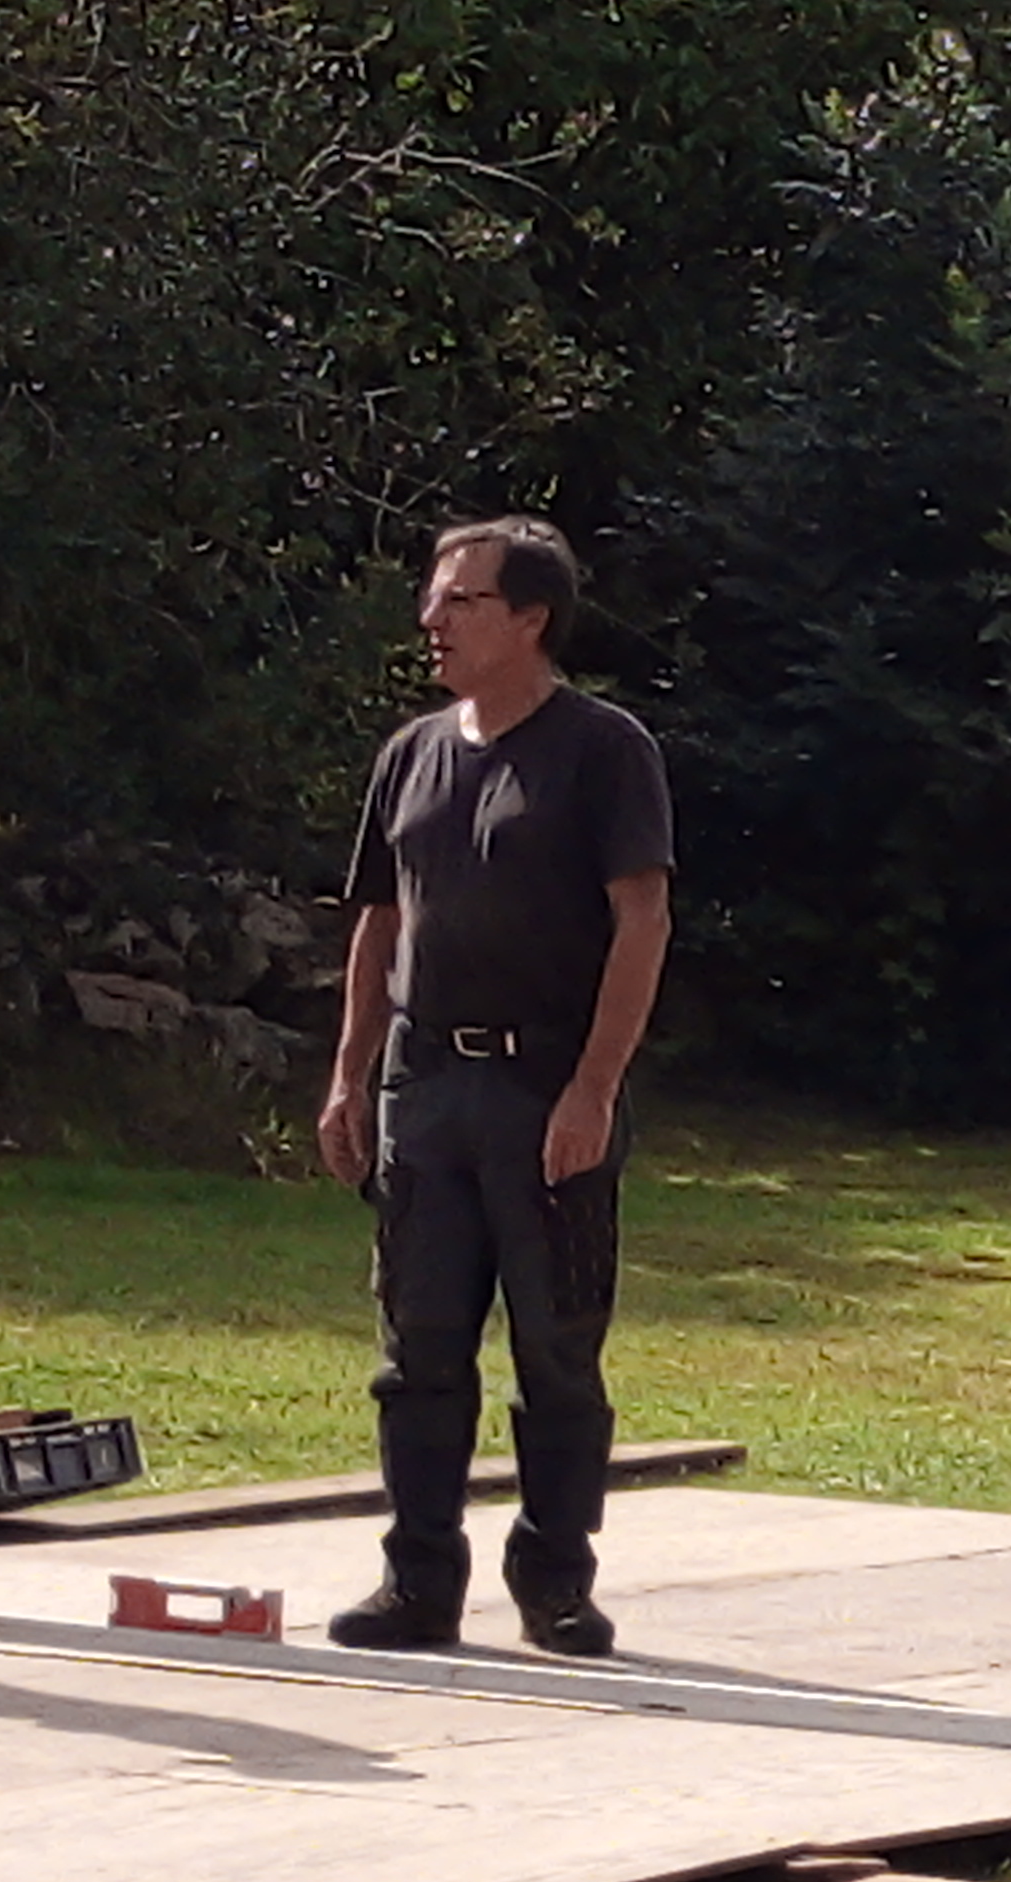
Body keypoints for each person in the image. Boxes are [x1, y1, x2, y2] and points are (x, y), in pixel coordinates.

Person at [317, 517, 671, 1655]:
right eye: (435, 599)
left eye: (460, 601)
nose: (432, 621)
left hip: (542, 1087)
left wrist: (593, 1090)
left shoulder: (603, 750)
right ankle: (417, 1582)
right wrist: (347, 1079)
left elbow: (641, 922)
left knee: (555, 1352)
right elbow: (378, 921)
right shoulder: (411, 754)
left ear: (530, 620)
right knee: (416, 1351)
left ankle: (555, 1582)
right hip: (424, 1088)